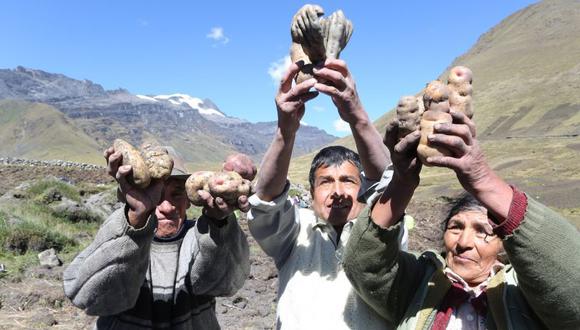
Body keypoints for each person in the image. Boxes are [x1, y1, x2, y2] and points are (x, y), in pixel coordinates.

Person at [343, 110, 580, 329]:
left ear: (505, 245)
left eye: (482, 231)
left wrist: (484, 181)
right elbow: (364, 265)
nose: (463, 241)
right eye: (455, 226)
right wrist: (401, 183)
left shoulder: (524, 291)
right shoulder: (420, 284)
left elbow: (572, 291)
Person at [247, 58, 406, 329]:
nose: (338, 192)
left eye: (347, 180)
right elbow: (266, 201)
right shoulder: (293, 233)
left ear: (363, 188)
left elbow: (389, 182)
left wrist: (356, 114)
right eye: (325, 182)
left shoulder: (383, 230)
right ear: (310, 193)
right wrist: (286, 131)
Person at [63, 146, 251, 329]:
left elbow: (227, 284)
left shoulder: (202, 236)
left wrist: (218, 225)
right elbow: (87, 298)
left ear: (189, 199)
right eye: (157, 195)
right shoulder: (114, 237)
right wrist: (136, 218)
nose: (167, 207)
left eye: (177, 194)